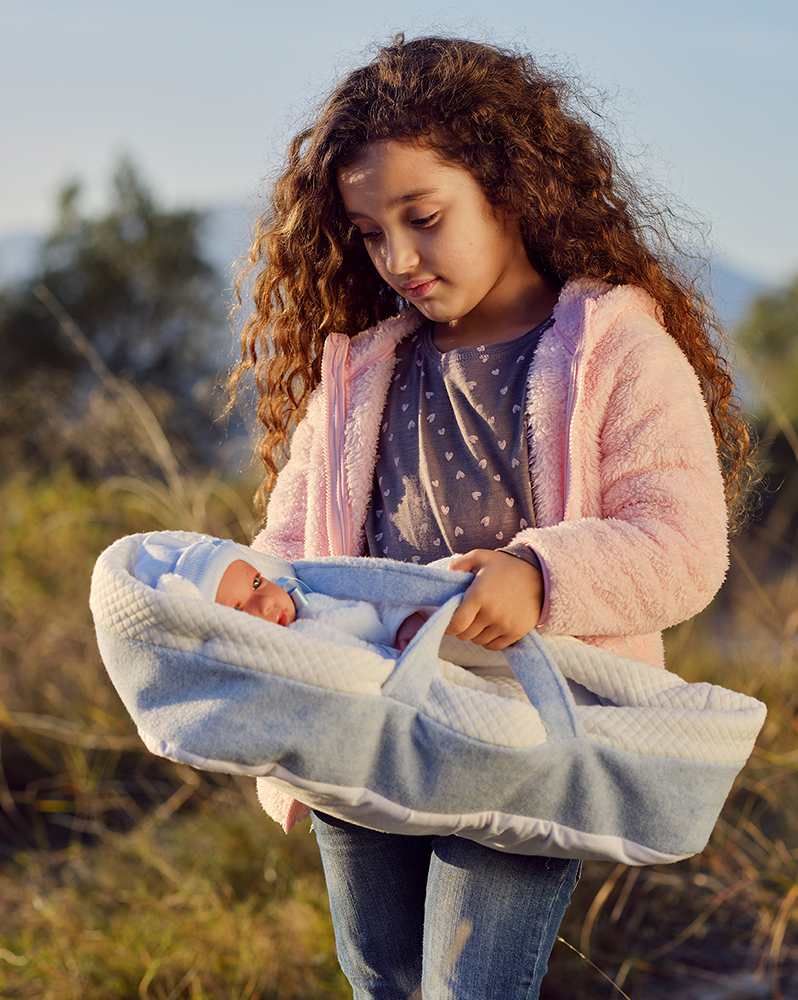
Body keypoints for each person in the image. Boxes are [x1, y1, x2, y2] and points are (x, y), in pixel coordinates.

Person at [229, 34, 753, 999]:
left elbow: (683, 543)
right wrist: (264, 600)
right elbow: (296, 543)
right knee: (381, 975)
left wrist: (540, 574)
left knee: (471, 986)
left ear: (508, 187)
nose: (398, 258)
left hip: (519, 740)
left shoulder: (614, 350)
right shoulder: (359, 373)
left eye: (423, 217)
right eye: (371, 232)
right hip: (365, 726)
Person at [132, 531, 432, 652]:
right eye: (238, 609)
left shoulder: (314, 597)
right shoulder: (268, 657)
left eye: (256, 583)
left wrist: (405, 624)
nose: (264, 603)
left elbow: (377, 599)